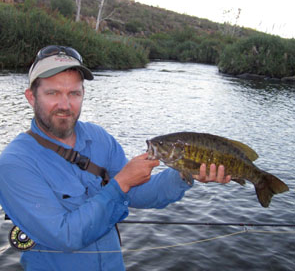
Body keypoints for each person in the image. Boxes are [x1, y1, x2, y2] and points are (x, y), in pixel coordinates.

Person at [0, 45, 231, 271]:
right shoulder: (15, 164)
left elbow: (139, 193)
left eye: (74, 93)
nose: (65, 105)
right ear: (31, 97)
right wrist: (121, 183)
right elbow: (66, 236)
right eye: (53, 93)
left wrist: (184, 173)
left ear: (83, 94)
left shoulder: (99, 138)